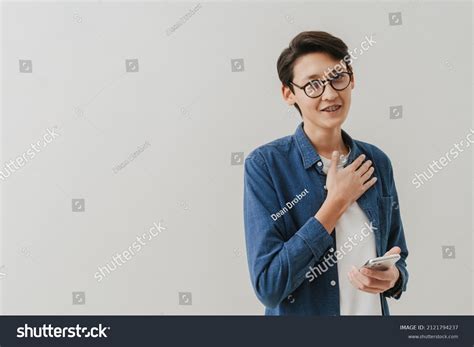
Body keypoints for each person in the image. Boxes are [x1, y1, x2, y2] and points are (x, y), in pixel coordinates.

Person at [243, 31, 409, 315]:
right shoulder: (266, 166)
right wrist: (335, 203)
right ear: (288, 93)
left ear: (352, 79)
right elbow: (269, 286)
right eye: (313, 85)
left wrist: (394, 278)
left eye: (338, 77)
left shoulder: (377, 162)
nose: (330, 93)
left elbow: (398, 256)